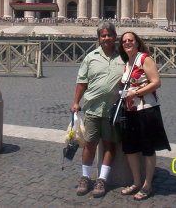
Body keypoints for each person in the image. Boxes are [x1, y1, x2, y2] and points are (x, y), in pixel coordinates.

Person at [71, 21, 124, 198]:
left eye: (109, 35)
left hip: (113, 110)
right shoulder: (90, 57)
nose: (107, 38)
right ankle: (85, 176)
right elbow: (81, 82)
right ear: (99, 38)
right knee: (89, 144)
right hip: (92, 108)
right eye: (103, 35)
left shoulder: (124, 57)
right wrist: (76, 102)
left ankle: (102, 179)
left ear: (115, 36)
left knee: (110, 144)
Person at [118, 32, 170, 200]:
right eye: (124, 41)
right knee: (131, 148)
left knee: (148, 149)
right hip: (130, 110)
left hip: (146, 109)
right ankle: (136, 182)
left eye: (130, 40)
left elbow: (156, 82)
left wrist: (136, 93)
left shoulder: (145, 59)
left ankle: (147, 185)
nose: (127, 43)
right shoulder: (127, 63)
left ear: (137, 43)